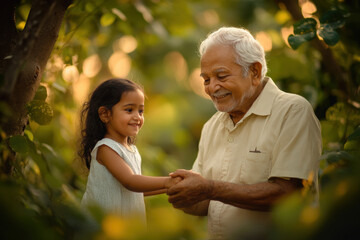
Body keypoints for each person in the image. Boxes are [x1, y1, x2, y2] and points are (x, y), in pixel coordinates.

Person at [167, 27, 322, 239]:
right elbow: (206, 203)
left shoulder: (292, 111)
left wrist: (209, 189)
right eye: (206, 79)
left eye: (221, 76)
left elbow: (289, 194)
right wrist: (184, 194)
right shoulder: (212, 126)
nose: (212, 88)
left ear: (255, 72)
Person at [79, 78, 180, 223]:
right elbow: (131, 182)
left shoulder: (131, 150)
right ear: (105, 114)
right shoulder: (106, 148)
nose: (137, 117)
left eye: (141, 111)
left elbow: (137, 190)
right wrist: (167, 182)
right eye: (129, 110)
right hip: (103, 227)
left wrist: (171, 186)